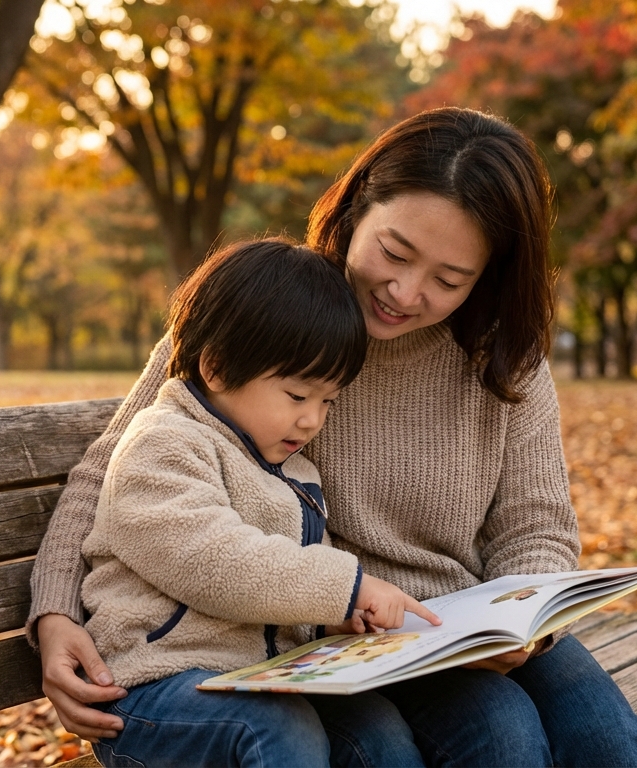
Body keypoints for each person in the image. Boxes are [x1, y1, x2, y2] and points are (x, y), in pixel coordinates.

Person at [29, 107, 637, 767]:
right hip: (340, 632)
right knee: (502, 739)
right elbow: (114, 472)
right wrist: (56, 615)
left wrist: (521, 625)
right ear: (358, 208)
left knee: (610, 743)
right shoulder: (269, 319)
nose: (405, 291)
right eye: (395, 251)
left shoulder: (503, 358)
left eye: (449, 280)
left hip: (466, 623)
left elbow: (536, 526)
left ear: (488, 277)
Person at [76, 238, 439, 766]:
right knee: (276, 730)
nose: (312, 419)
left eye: (328, 400)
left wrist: (330, 622)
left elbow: (283, 595)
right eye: (297, 396)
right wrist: (346, 588)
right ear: (219, 368)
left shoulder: (295, 472)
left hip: (260, 681)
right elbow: (213, 561)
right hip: (153, 692)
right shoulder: (163, 444)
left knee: (376, 728)